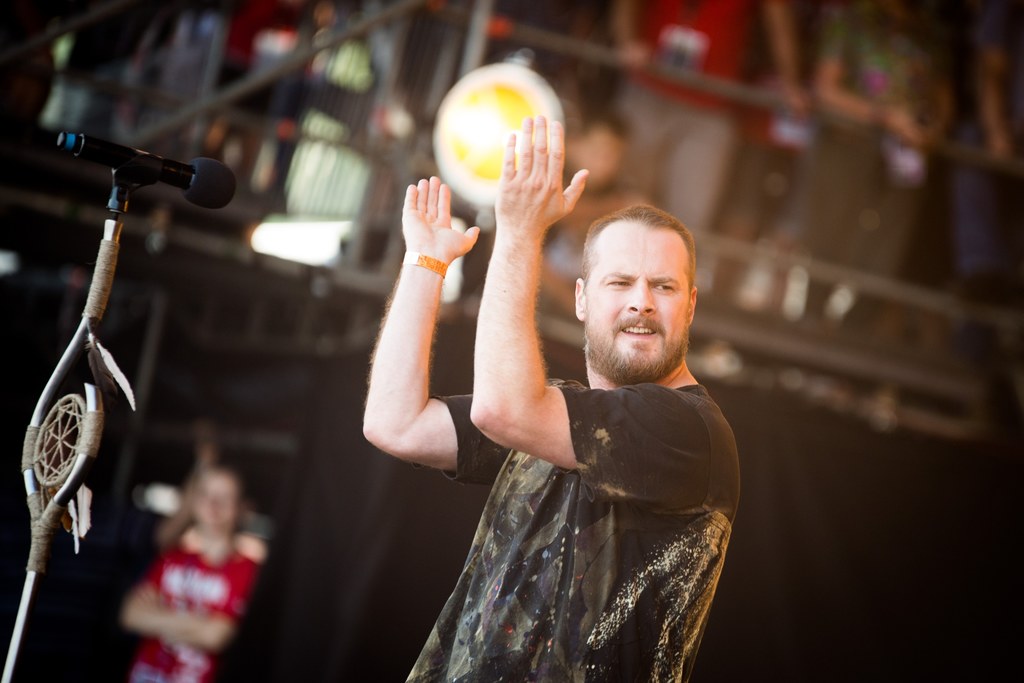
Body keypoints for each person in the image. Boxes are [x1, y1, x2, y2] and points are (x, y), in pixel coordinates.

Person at [363, 116, 739, 681]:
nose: (641, 302)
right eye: (620, 283)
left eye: (662, 287)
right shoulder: (554, 414)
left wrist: (518, 232)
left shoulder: (688, 429)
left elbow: (505, 410)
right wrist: (426, 262)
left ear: (689, 307)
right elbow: (395, 424)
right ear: (582, 300)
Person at [120, 462, 261, 683]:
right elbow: (130, 615)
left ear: (242, 508)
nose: (213, 504)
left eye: (224, 497)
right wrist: (199, 624)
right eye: (206, 494)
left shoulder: (248, 570)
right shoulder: (170, 558)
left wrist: (158, 616)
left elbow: (218, 636)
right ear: (195, 500)